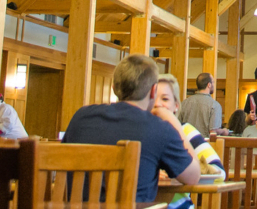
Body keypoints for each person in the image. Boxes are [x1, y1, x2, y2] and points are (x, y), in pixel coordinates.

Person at [63, 54, 200, 203]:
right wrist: (174, 122)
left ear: (114, 87)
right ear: (154, 91)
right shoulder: (159, 129)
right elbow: (193, 177)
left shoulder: (81, 117)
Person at [154, 74, 225, 209]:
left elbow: (220, 173)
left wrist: (177, 173)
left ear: (176, 106)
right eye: (152, 98)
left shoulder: (186, 130)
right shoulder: (137, 129)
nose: (157, 104)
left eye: (164, 98)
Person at [176, 73, 222, 137]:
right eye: (213, 82)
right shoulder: (214, 105)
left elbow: (177, 126)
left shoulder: (184, 103)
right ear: (209, 85)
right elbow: (213, 132)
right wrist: (224, 131)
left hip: (185, 143)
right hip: (204, 144)